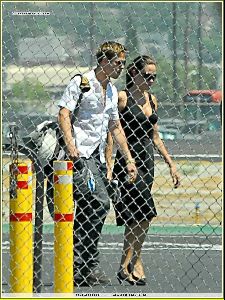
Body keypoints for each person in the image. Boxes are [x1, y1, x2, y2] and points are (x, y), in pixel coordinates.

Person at [57, 41, 137, 287]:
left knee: (92, 208)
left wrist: (129, 159)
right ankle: (82, 265)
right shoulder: (82, 82)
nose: (121, 67)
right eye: (117, 62)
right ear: (104, 61)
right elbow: (63, 113)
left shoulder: (112, 91)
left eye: (123, 63)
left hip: (99, 157)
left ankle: (81, 266)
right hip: (80, 156)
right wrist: (72, 148)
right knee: (99, 203)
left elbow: (115, 126)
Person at [106, 55, 181, 285]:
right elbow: (112, 132)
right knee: (145, 214)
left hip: (147, 163)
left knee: (136, 217)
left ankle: (126, 265)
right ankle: (133, 261)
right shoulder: (122, 98)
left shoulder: (152, 100)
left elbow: (155, 136)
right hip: (128, 163)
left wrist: (171, 163)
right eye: (147, 75)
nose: (151, 80)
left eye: (154, 76)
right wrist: (110, 165)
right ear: (134, 74)